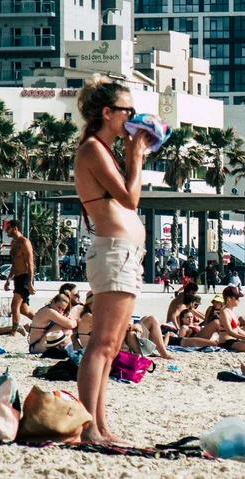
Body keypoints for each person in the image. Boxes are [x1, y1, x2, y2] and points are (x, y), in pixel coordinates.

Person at [74, 78, 154, 445]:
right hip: (113, 252)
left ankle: (100, 425)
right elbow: (129, 199)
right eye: (128, 111)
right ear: (108, 113)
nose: (133, 118)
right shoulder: (92, 149)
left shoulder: (103, 150)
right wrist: (135, 158)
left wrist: (130, 154)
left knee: (111, 346)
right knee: (102, 345)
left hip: (122, 253)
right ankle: (89, 427)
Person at [3, 219, 36, 336]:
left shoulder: (24, 243)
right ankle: (44, 323)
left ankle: (14, 332)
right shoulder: (14, 243)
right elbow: (14, 264)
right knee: (24, 310)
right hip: (18, 278)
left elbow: (30, 263)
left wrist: (30, 283)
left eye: (8, 228)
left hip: (25, 277)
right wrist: (8, 279)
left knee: (14, 305)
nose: (6, 231)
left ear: (15, 228)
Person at [217, 286, 245, 352]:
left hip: (234, 341)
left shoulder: (231, 311)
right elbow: (229, 332)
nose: (238, 300)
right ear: (229, 299)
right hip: (226, 342)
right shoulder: (224, 312)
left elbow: (238, 329)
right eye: (236, 298)